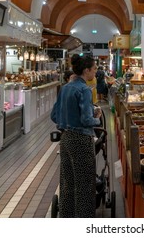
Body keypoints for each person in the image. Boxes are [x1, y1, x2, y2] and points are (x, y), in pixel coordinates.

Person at [50, 54, 102, 218]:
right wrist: (97, 118)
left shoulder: (65, 87)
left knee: (67, 182)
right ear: (86, 70)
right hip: (81, 140)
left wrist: (67, 120)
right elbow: (86, 120)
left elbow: (54, 115)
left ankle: (66, 217)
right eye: (94, 69)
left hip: (65, 139)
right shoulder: (84, 89)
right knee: (85, 185)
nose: (95, 73)